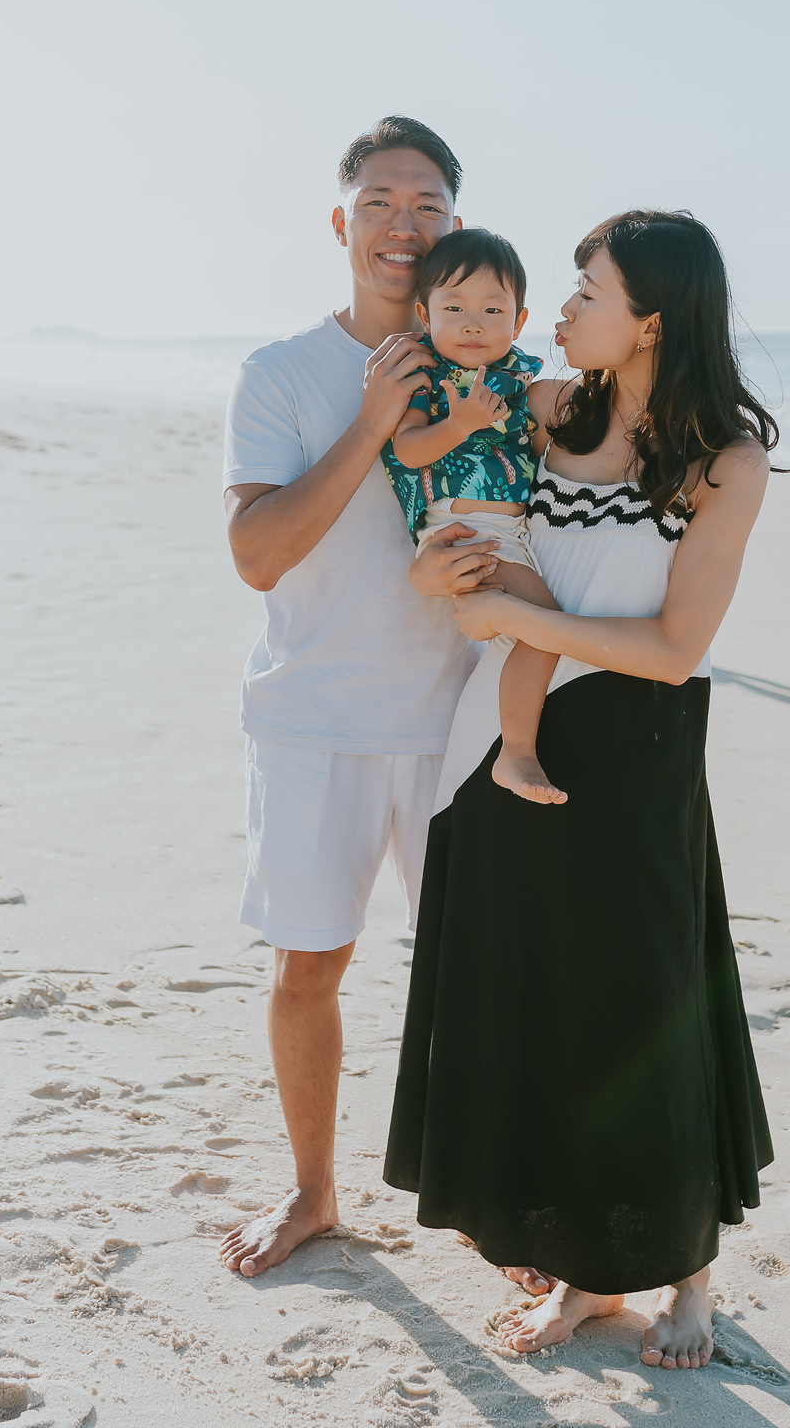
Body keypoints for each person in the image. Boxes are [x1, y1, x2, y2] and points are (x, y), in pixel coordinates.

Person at [385, 208, 778, 1369]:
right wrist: (430, 564)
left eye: (587, 290)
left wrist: (509, 615)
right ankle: (576, 1280)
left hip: (635, 754)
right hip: (502, 743)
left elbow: (672, 645)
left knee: (644, 1007)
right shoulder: (553, 407)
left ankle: (688, 1277)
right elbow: (438, 451)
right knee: (536, 1004)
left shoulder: (728, 461)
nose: (561, 313)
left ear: (651, 317)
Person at [217, 116, 500, 1279]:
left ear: (456, 225)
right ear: (343, 224)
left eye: (427, 204)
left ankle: (487, 1203)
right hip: (314, 716)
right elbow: (257, 553)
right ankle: (314, 1192)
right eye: (380, 202)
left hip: (452, 719)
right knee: (309, 967)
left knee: (474, 970)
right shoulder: (281, 373)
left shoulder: (490, 364)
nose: (404, 225)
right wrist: (375, 421)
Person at [381, 229, 569, 806]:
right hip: (461, 530)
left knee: (535, 632)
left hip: (513, 534)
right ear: (424, 313)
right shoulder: (427, 379)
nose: (473, 324)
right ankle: (516, 752)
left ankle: (505, 739)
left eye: (493, 310)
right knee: (545, 627)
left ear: (518, 320)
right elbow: (408, 450)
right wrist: (458, 424)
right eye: (454, 308)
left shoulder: (521, 381)